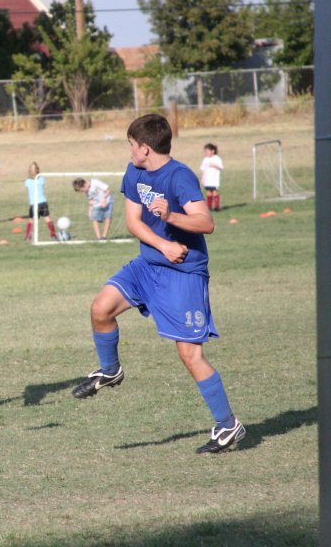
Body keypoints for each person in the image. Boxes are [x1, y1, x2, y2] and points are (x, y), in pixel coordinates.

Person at [71, 113, 244, 454]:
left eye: (132, 145)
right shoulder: (134, 171)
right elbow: (134, 222)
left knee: (190, 354)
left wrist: (171, 217)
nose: (130, 150)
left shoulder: (180, 177)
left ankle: (228, 426)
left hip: (183, 274)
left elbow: (206, 223)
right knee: (100, 309)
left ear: (145, 148)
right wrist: (163, 244)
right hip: (148, 265)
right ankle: (110, 371)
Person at [23, 162, 57, 241]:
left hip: (33, 204)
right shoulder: (41, 179)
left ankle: (28, 236)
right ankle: (53, 235)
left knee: (31, 220)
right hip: (43, 202)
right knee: (47, 218)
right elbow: (43, 185)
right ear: (38, 170)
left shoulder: (27, 181)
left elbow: (28, 189)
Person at [199, 143, 224, 211]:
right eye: (205, 151)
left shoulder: (217, 158)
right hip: (208, 180)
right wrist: (202, 178)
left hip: (214, 179)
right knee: (208, 192)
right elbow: (202, 169)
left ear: (212, 151)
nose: (206, 153)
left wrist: (215, 165)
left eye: (207, 151)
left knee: (214, 191)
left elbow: (221, 167)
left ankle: (216, 207)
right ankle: (209, 207)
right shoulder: (205, 159)